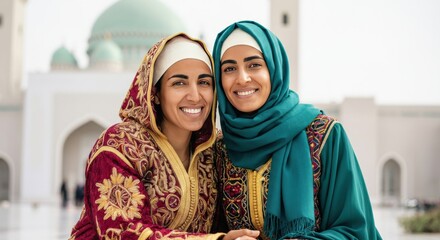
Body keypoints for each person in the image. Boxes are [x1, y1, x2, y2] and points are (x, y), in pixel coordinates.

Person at [69, 33, 259, 240]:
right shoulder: (120, 145)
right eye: (179, 83)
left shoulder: (215, 151)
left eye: (204, 82)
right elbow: (123, 231)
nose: (195, 96)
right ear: (156, 93)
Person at [213, 21, 382, 240]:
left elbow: (357, 231)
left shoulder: (325, 134)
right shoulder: (219, 149)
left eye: (254, 65)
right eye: (229, 68)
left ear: (274, 69)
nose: (242, 78)